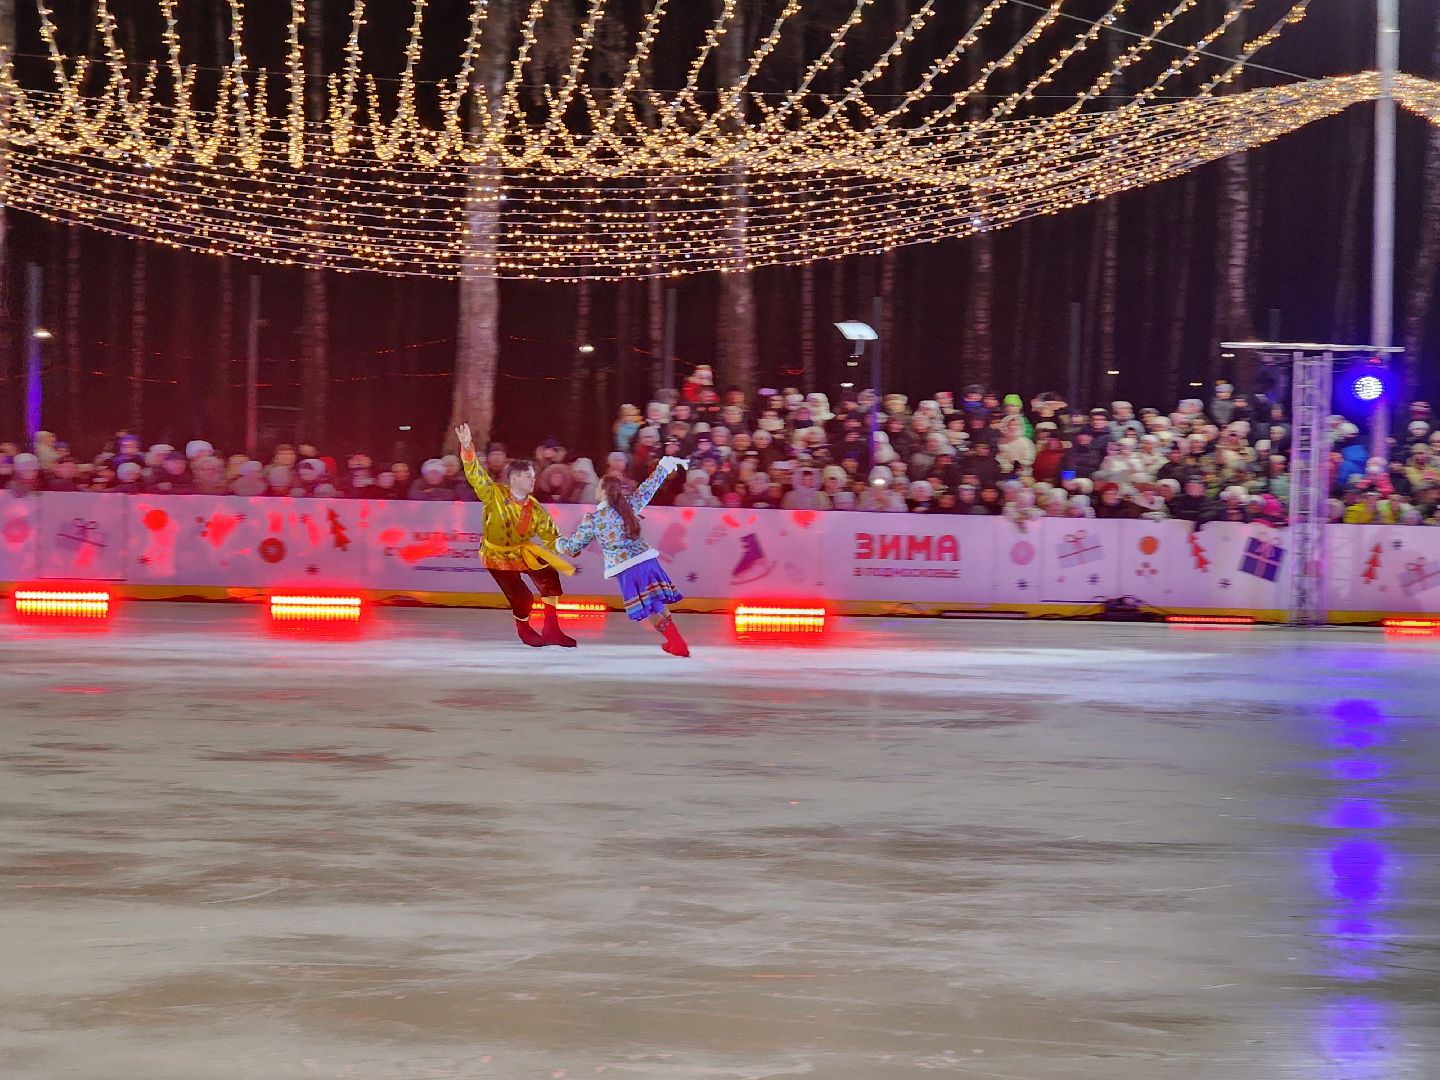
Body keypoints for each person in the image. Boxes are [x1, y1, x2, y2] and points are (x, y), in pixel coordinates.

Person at [455, 422, 577, 649]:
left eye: (533, 476)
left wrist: (568, 546)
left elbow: (551, 537)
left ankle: (552, 629)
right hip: (496, 556)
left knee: (549, 577)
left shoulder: (535, 508)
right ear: (514, 478)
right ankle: (524, 630)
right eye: (528, 476)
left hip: (521, 552)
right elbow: (474, 474)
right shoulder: (493, 493)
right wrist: (467, 446)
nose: (533, 480)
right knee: (523, 597)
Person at [558, 457, 692, 657]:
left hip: (628, 569)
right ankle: (675, 641)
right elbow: (649, 487)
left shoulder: (594, 519)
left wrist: (559, 544)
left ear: (604, 491)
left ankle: (677, 642)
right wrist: (664, 466)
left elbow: (573, 547)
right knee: (655, 602)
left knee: (650, 607)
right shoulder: (629, 505)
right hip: (647, 561)